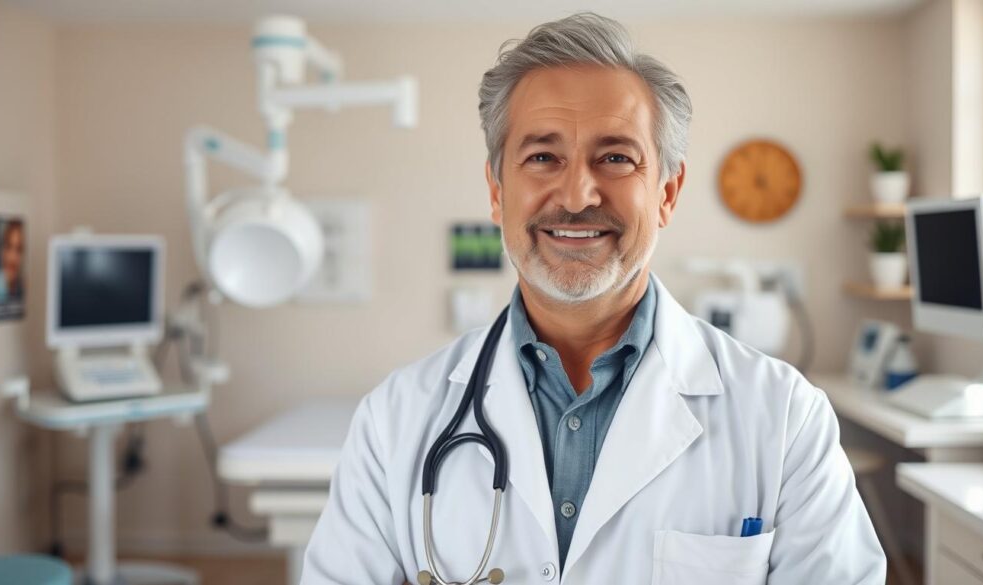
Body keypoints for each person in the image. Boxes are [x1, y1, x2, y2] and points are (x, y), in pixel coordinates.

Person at [301, 12, 885, 585]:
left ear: (667, 193)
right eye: (542, 157)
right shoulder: (394, 419)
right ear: (497, 192)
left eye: (615, 158)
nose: (578, 195)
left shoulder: (784, 418)